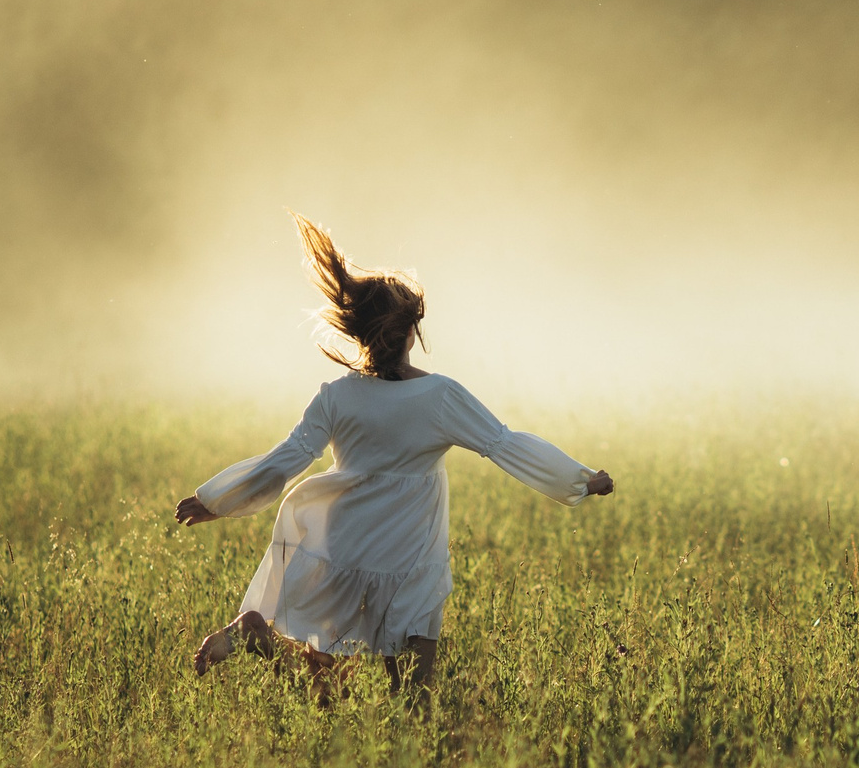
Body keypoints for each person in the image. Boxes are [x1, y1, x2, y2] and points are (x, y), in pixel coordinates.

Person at [176, 214, 613, 707]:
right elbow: (504, 445)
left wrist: (216, 500)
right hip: (408, 554)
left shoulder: (337, 395)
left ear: (358, 333)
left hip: (344, 543)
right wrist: (580, 480)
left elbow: (290, 457)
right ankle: (410, 765)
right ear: (409, 333)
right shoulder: (440, 397)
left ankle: (257, 635)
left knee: (326, 697)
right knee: (412, 697)